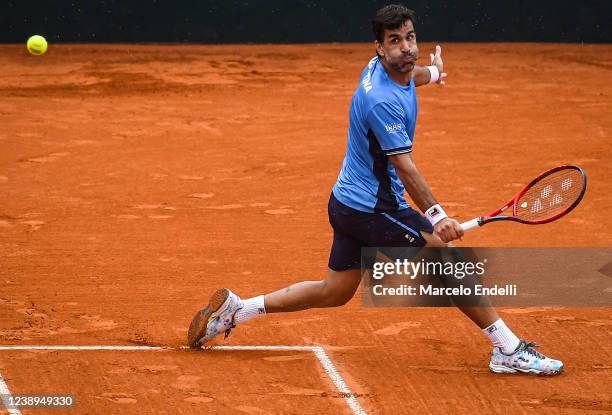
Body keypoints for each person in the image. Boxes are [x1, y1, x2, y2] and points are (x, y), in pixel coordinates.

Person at [187, 4, 563, 376]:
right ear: (379, 47)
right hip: (374, 209)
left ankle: (237, 310)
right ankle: (507, 349)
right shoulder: (380, 102)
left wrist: (432, 73)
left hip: (346, 202)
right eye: (395, 41)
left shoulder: (383, 70)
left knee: (334, 291)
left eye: (411, 38)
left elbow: (407, 75)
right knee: (449, 263)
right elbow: (405, 167)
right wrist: (438, 216)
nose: (407, 48)